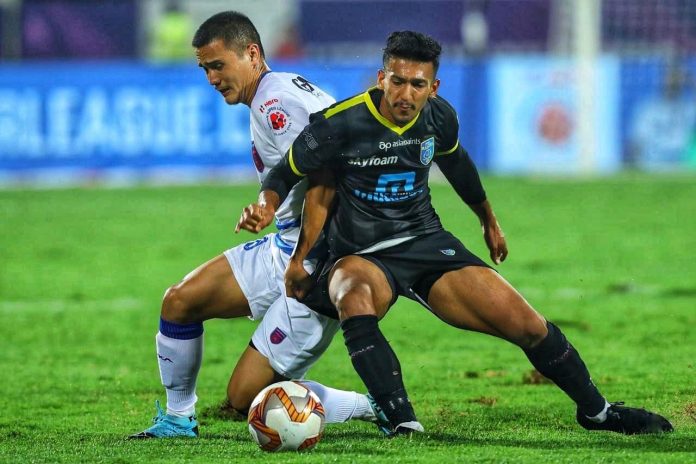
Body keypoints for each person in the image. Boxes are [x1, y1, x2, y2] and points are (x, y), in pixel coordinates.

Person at [244, 31, 674, 436]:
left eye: (417, 84)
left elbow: (458, 165)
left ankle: (597, 412)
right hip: (359, 253)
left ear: (433, 87)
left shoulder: (438, 117)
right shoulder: (339, 123)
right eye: (397, 81)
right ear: (381, 78)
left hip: (424, 242)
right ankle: (401, 421)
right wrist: (268, 210)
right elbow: (286, 174)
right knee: (352, 295)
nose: (405, 94)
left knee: (527, 324)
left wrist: (488, 220)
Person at [129, 11, 388, 439]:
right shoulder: (278, 89)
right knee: (179, 302)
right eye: (205, 69)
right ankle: (178, 419)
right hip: (285, 244)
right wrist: (269, 207)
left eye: (218, 65)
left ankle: (373, 404)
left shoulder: (275, 104)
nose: (212, 79)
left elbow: (327, 177)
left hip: (318, 259)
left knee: (245, 397)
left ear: (251, 54)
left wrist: (304, 258)